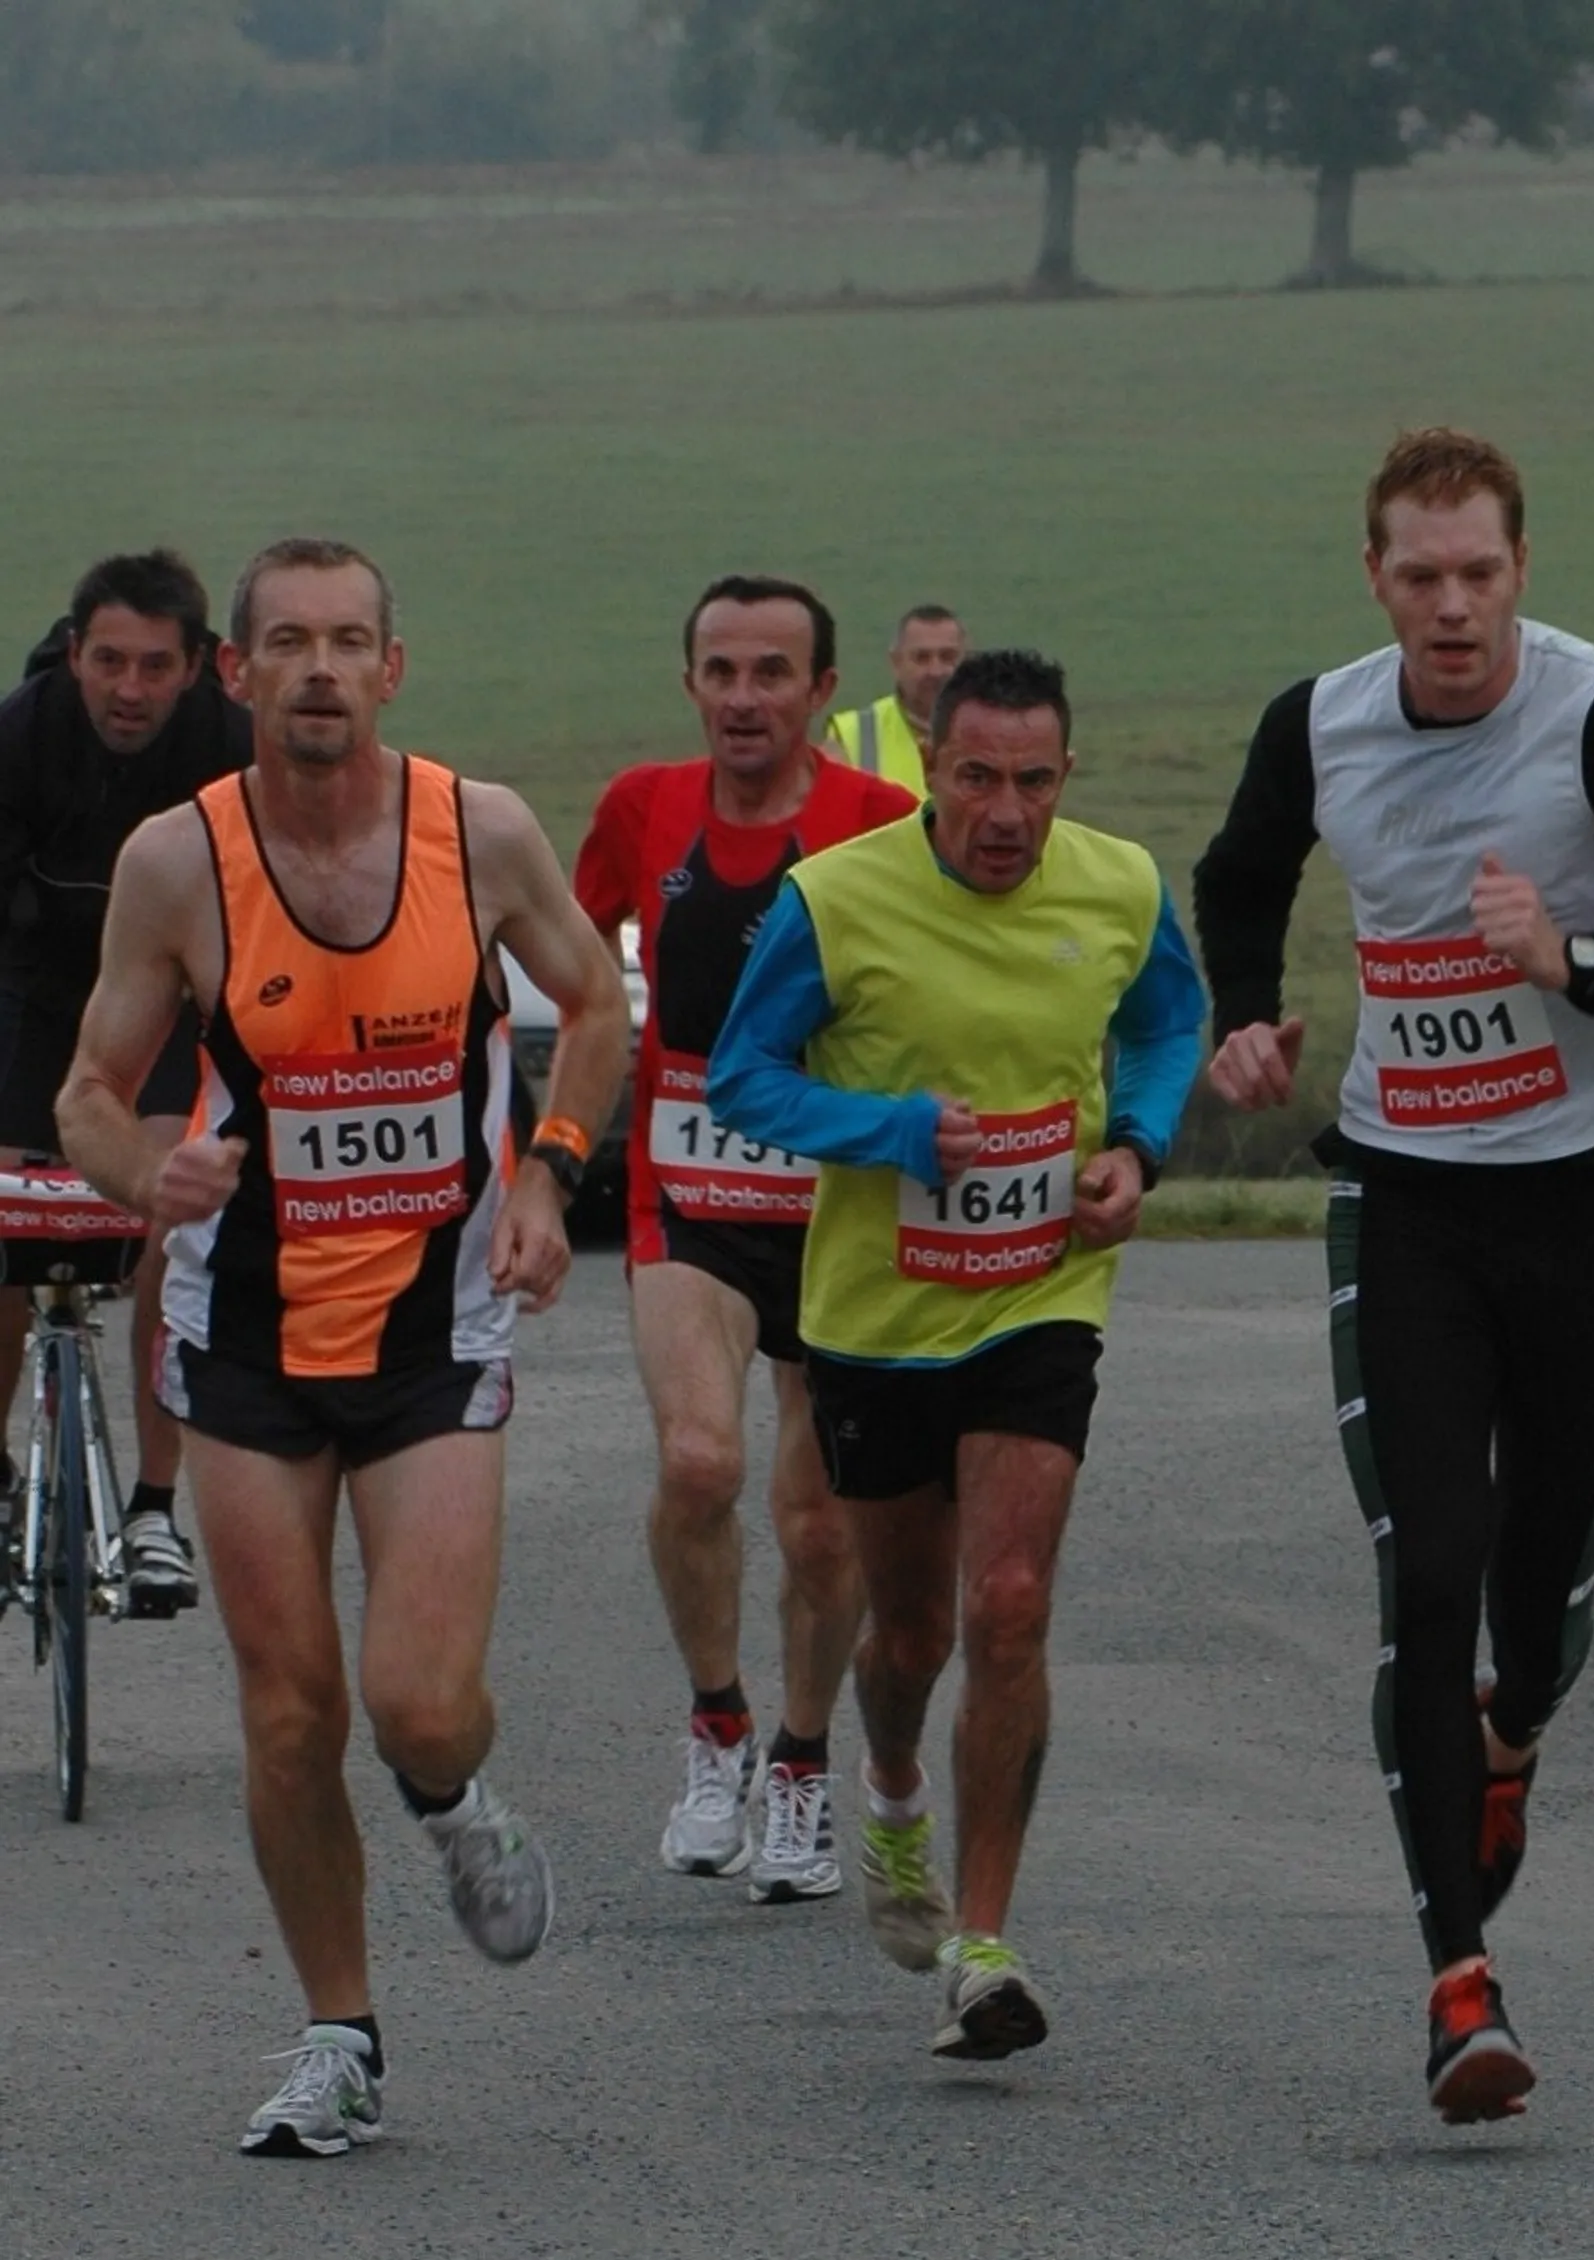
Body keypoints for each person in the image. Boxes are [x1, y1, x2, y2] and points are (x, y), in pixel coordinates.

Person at [1193, 428, 1594, 2125]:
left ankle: (1517, 1726)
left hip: (1585, 1193)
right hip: (1405, 1193)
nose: (1452, 604)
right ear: (1375, 577)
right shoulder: (1316, 724)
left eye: (1480, 572)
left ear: (1521, 570)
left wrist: (1587, 959)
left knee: (1534, 1593)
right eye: (1420, 574)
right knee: (1428, 1568)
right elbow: (1237, 877)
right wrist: (1242, 1016)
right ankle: (1459, 1986)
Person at [57, 537, 630, 2157]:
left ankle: (452, 1803)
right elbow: (93, 1094)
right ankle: (339, 2034)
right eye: (288, 643)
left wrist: (547, 1173)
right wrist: (136, 1174)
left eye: (349, 641)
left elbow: (597, 1008)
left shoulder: (481, 830)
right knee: (291, 1707)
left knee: (418, 1700)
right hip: (240, 1328)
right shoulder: (180, 861)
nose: (320, 668)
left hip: (436, 1320)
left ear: (394, 665)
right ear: (234, 674)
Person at [709, 647, 1204, 2057]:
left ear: (1067, 776)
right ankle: (888, 1787)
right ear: (933, 765)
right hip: (876, 1315)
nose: (1006, 809)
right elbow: (744, 1076)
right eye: (978, 776)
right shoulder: (837, 896)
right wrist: (900, 1132)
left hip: (1043, 1292)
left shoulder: (1117, 884)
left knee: (1009, 1601)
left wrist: (1139, 1145)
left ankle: (982, 1945)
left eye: (1034, 780)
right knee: (912, 1629)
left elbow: (1166, 1019)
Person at [573, 577, 919, 1905]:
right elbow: (564, 952)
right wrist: (540, 1152)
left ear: (823, 692)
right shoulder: (639, 809)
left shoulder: (883, 824)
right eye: (720, 670)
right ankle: (717, 1721)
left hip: (836, 1211)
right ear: (691, 687)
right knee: (700, 1458)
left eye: (773, 671)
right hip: (689, 1193)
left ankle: (801, 1759)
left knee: (823, 1527)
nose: (744, 697)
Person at [0, 549, 253, 1612]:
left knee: (172, 1212)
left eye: (157, 665)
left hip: (175, 993)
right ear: (73, 651)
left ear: (199, 666)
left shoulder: (235, 752)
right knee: (2, 1223)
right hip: (35, 984)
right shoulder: (18, 735)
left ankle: (154, 1505)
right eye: (108, 661)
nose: (130, 689)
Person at [823, 605, 968, 791]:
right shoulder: (850, 736)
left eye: (948, 657)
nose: (936, 671)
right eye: (921, 658)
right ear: (896, 663)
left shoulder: (992, 730)